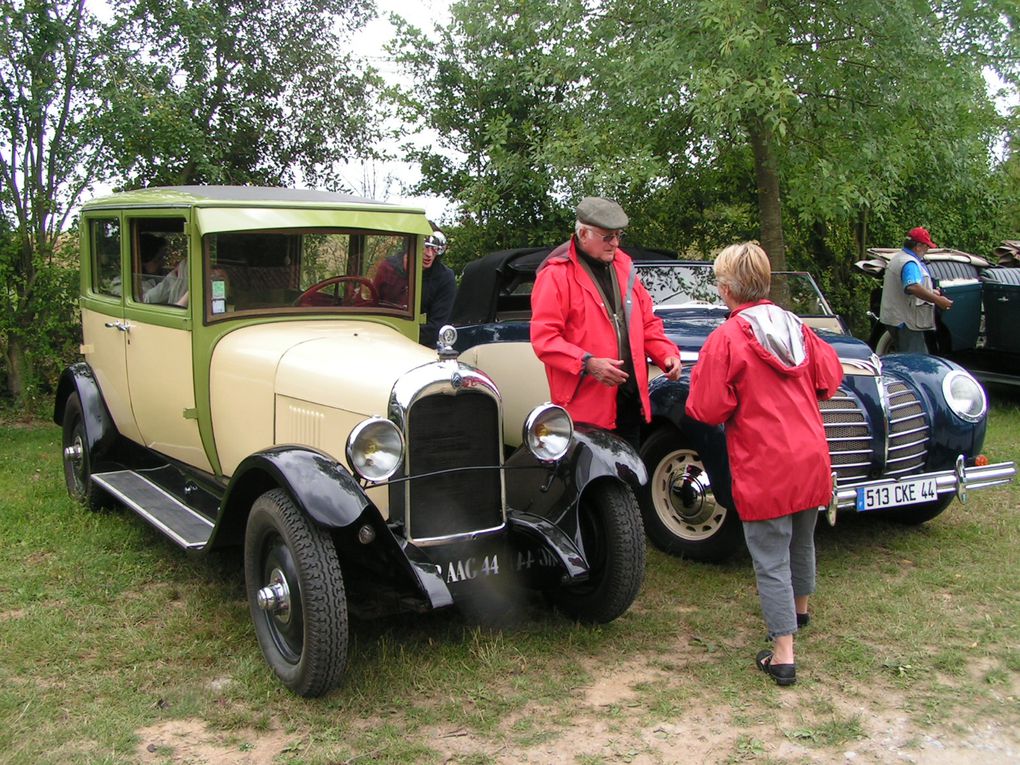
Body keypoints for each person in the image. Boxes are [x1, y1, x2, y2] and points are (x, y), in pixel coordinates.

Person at [685, 242, 843, 686]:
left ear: (729, 288)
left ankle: (783, 653)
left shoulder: (728, 338)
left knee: (770, 555)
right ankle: (800, 612)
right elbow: (829, 378)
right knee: (802, 539)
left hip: (766, 460)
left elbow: (707, 407)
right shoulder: (797, 326)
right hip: (810, 453)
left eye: (719, 281)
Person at [530, 196, 682, 451]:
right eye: (607, 236)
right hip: (586, 409)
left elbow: (647, 323)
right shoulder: (555, 276)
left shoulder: (625, 267)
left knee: (629, 479)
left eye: (618, 235)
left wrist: (666, 354)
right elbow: (544, 340)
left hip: (629, 401)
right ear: (583, 234)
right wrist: (588, 363)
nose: (615, 243)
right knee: (594, 485)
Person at [879, 226, 953, 354]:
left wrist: (930, 292)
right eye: (926, 246)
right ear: (918, 246)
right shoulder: (910, 263)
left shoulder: (898, 257)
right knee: (915, 361)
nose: (927, 250)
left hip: (895, 319)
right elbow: (912, 286)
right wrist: (938, 300)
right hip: (906, 323)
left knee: (904, 358)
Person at [418, 230, 457, 348]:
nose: (429, 254)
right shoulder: (391, 268)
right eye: (425, 247)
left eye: (434, 248)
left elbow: (437, 327)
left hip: (426, 347)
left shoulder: (445, 278)